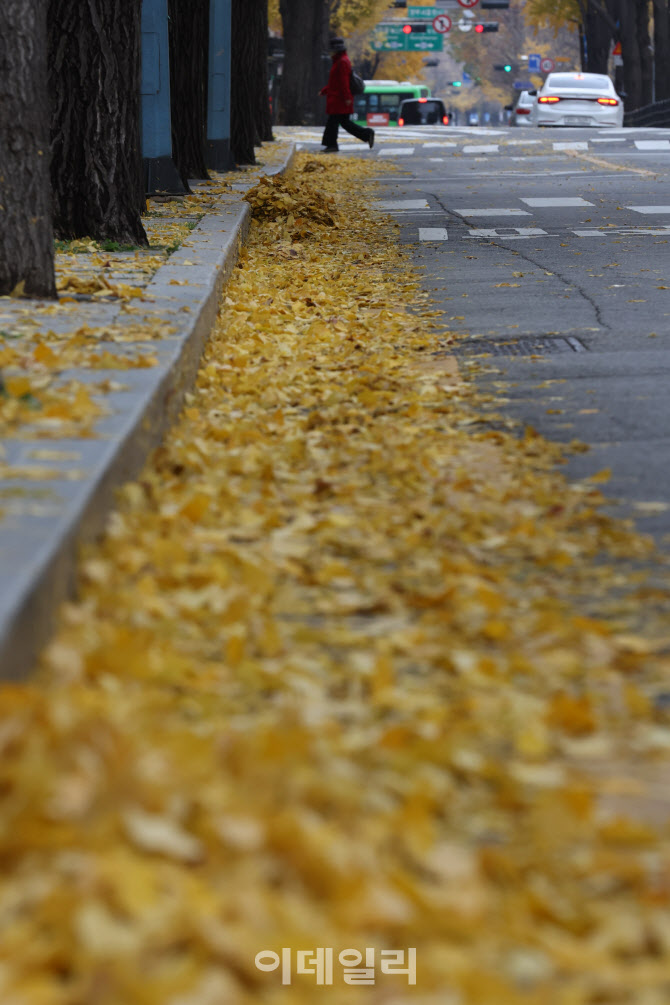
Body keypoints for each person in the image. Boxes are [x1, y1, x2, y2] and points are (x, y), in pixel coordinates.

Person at [320, 38, 374, 153]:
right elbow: (334, 82)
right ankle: (365, 135)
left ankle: (332, 144)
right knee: (342, 123)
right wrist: (325, 90)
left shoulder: (342, 62)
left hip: (339, 99)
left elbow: (344, 82)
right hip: (337, 98)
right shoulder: (339, 61)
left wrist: (347, 98)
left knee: (336, 122)